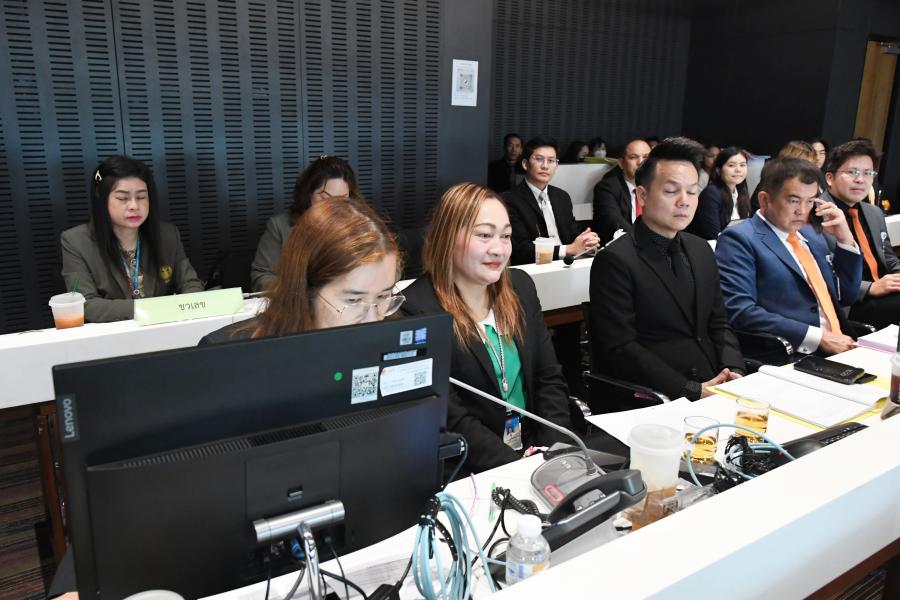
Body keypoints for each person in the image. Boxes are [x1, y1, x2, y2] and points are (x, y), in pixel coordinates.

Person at [401, 183, 574, 473]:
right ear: (447, 237)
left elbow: (548, 378)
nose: (499, 249)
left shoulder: (520, 287)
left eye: (505, 236)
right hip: (472, 467)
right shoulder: (416, 310)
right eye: (484, 235)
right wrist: (518, 469)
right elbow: (451, 417)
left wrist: (552, 452)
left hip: (536, 451)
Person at [589, 137, 744, 405]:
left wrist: (734, 370)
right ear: (642, 196)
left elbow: (719, 322)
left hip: (716, 384)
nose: (684, 201)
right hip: (659, 395)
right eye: (671, 191)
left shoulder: (701, 249)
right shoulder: (616, 260)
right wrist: (691, 390)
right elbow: (622, 348)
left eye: (692, 192)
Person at [202, 196, 404, 344]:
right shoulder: (226, 356)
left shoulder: (397, 340)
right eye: (353, 300)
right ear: (306, 291)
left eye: (383, 297)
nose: (373, 321)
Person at [716, 157, 862, 356]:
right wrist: (817, 337)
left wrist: (845, 240)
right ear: (765, 199)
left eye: (810, 201)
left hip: (842, 344)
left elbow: (845, 296)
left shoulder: (812, 235)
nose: (802, 211)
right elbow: (740, 310)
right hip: (791, 352)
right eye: (794, 201)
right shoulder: (739, 239)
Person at [60, 155, 203, 323]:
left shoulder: (167, 234)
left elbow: (191, 284)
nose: (134, 206)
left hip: (166, 327)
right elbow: (86, 305)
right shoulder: (76, 241)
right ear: (101, 199)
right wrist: (153, 308)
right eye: (123, 198)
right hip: (115, 333)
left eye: (141, 197)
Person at [821, 139, 900, 329]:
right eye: (852, 172)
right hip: (849, 303)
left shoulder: (873, 212)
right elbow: (821, 275)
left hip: (884, 294)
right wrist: (870, 288)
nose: (860, 180)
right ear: (830, 178)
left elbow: (888, 258)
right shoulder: (815, 215)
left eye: (868, 173)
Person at [250, 155, 360, 292]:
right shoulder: (280, 226)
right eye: (325, 197)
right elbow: (261, 276)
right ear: (309, 194)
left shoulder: (359, 226)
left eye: (342, 199)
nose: (333, 206)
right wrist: (299, 292)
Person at [503, 136, 599, 265]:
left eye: (551, 161)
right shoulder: (510, 200)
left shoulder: (562, 197)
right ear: (525, 164)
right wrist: (569, 249)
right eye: (539, 159)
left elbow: (572, 235)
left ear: (556, 165)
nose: (545, 166)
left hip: (567, 265)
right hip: (534, 268)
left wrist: (585, 242)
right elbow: (521, 249)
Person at [592, 139, 651, 243]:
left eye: (646, 157)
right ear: (621, 163)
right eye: (633, 157)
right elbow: (613, 222)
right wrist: (644, 242)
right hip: (623, 245)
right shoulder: (606, 188)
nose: (641, 162)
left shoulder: (658, 187)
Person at [687, 146, 750, 239]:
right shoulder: (711, 193)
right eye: (731, 165)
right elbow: (713, 234)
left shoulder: (741, 192)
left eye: (742, 165)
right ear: (718, 170)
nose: (738, 169)